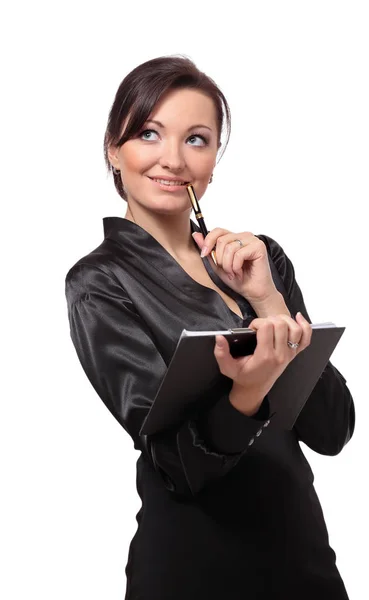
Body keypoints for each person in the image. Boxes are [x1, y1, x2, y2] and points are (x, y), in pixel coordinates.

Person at [65, 55, 355, 599]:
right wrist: (246, 394)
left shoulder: (260, 260)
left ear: (214, 159)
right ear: (114, 148)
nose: (172, 159)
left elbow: (333, 428)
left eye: (196, 139)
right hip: (190, 568)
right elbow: (179, 464)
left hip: (301, 558)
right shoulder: (99, 281)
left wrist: (266, 299)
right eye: (150, 134)